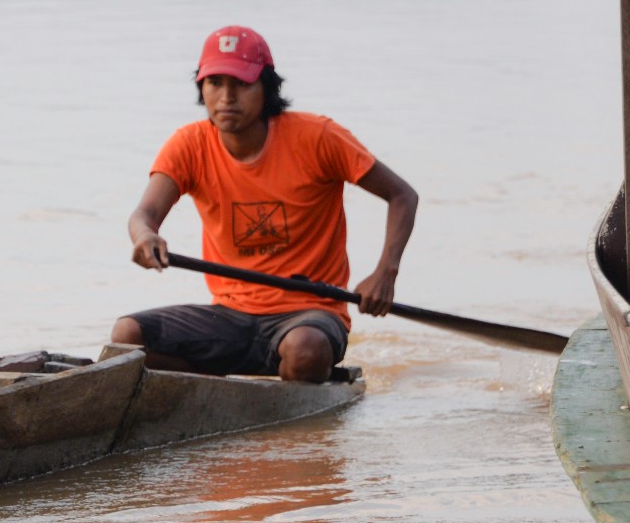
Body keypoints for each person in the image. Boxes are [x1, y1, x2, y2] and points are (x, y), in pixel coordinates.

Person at [111, 25, 418, 382]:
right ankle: (220, 390)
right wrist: (145, 236)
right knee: (127, 337)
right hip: (229, 315)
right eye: (215, 83)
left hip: (309, 313)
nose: (226, 97)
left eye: (241, 84)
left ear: (266, 88)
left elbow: (402, 195)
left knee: (305, 349)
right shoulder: (189, 144)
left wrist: (385, 273)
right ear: (201, 88)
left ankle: (293, 381)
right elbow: (144, 215)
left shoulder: (318, 137)